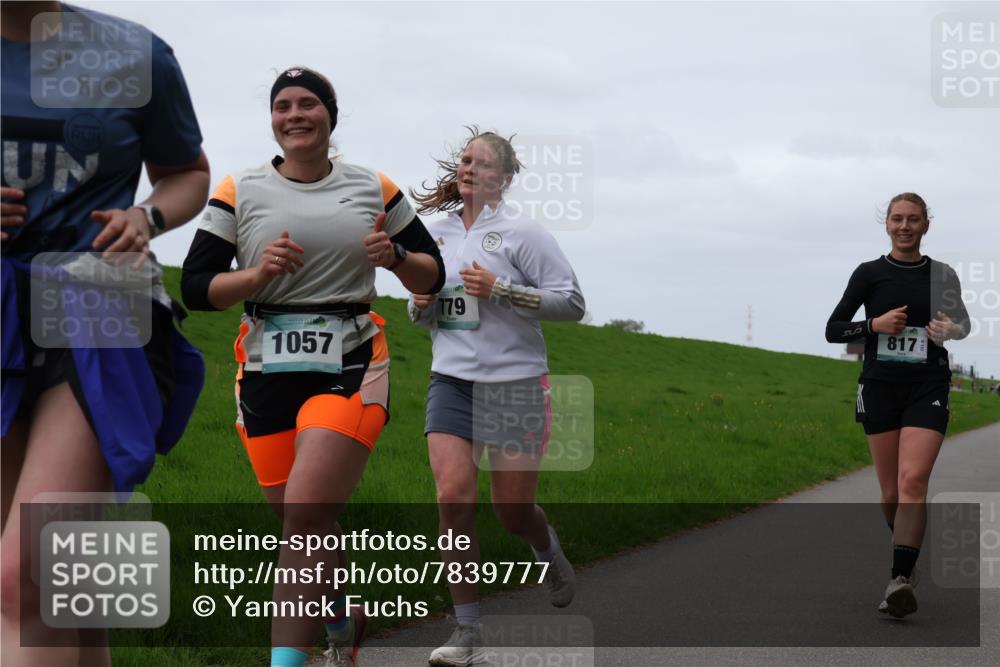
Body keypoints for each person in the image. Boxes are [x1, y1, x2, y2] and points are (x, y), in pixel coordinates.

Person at [180, 66, 444, 667]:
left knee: (304, 517)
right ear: (272, 120)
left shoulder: (372, 186)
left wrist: (397, 256)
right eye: (282, 106)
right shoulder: (238, 189)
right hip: (266, 369)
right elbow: (198, 288)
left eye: (307, 104)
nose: (293, 115)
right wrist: (257, 274)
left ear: (330, 115)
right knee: (299, 522)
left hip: (350, 359)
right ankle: (341, 614)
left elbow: (433, 271)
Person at [1, 3, 209, 665]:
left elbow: (189, 172)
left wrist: (147, 214)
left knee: (31, 576)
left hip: (99, 306)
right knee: (75, 597)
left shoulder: (135, 52)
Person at [408, 128, 585, 665]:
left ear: (504, 179)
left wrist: (503, 290)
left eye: (482, 164)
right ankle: (467, 634)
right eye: (464, 160)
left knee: (511, 510)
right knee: (452, 497)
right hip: (452, 381)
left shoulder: (523, 232)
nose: (469, 168)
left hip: (517, 384)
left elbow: (572, 303)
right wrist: (420, 305)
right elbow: (426, 316)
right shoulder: (431, 233)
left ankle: (545, 550)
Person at [825, 192, 969, 619]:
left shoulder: (943, 274)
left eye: (914, 219)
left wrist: (951, 329)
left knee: (913, 480)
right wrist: (874, 325)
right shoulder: (869, 273)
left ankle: (900, 580)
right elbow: (834, 329)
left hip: (929, 384)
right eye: (897, 219)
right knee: (891, 492)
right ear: (886, 225)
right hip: (881, 386)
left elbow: (963, 323)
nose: (905, 226)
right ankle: (907, 544)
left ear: (926, 225)